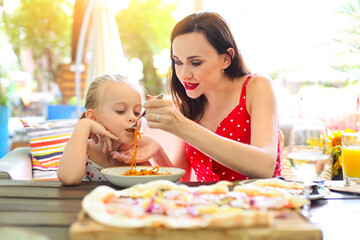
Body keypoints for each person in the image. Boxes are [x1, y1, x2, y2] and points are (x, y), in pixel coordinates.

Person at [114, 12, 282, 182]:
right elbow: (182, 181)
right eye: (178, 62)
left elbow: (264, 167)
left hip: (262, 204)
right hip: (207, 206)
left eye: (195, 63)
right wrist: (157, 152)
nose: (184, 75)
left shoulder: (257, 86)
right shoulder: (190, 105)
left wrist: (181, 126)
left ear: (226, 59)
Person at [57, 74, 172, 185]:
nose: (133, 117)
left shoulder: (136, 158)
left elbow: (172, 187)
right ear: (93, 118)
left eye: (137, 112)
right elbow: (69, 179)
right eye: (120, 111)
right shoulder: (80, 150)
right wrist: (84, 125)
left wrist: (158, 151)